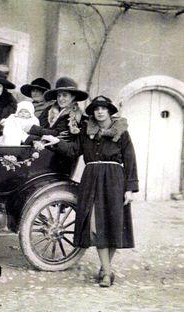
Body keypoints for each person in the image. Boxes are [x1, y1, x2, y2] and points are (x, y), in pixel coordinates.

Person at [40, 95, 138, 287]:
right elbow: (73, 150)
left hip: (115, 180)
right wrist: (54, 141)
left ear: (109, 111)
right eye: (96, 108)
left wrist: (130, 189)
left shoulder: (122, 132)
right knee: (95, 226)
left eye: (103, 108)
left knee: (113, 225)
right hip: (92, 179)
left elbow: (131, 159)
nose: (99, 111)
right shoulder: (86, 131)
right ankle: (107, 272)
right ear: (92, 112)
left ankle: (105, 269)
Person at [24, 77, 88, 144]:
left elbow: (57, 133)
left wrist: (32, 129)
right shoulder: (49, 109)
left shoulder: (75, 116)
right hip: (43, 145)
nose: (61, 99)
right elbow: (40, 124)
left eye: (64, 95)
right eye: (59, 96)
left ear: (73, 97)